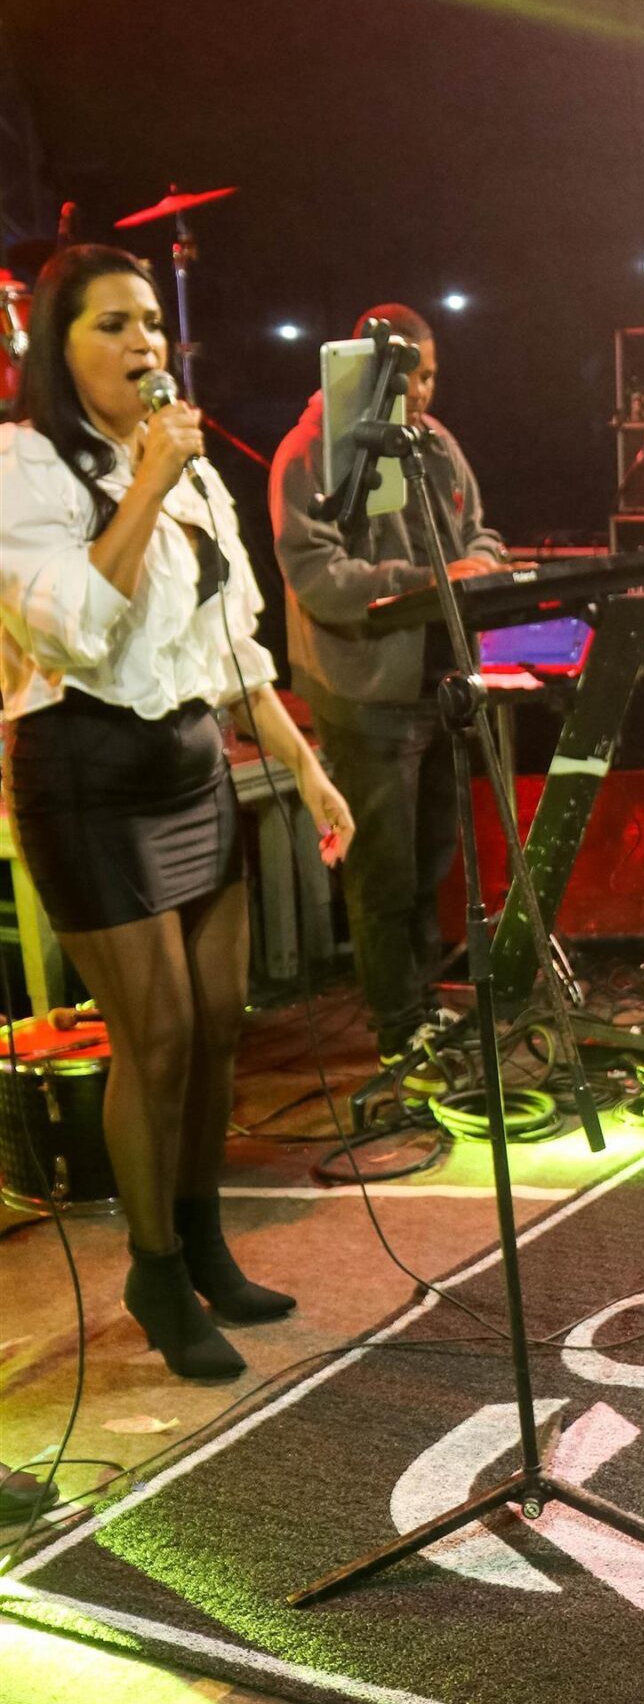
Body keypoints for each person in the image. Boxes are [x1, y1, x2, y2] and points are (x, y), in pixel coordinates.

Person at [0, 245, 354, 1381]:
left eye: (149, 320)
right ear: (57, 347)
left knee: (213, 1028)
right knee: (152, 1040)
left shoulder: (192, 471)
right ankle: (153, 1270)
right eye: (110, 324)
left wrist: (305, 768)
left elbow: (230, 650)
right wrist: (148, 479)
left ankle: (203, 1242)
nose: (142, 341)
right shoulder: (24, 467)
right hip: (88, 773)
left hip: (193, 769)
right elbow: (73, 629)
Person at [270, 305, 505, 1076]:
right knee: (383, 874)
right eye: (411, 376)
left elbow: (481, 532)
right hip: (366, 690)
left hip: (437, 682)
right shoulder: (312, 451)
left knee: (430, 861)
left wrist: (479, 565)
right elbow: (318, 576)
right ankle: (397, 1026)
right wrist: (430, 580)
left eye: (432, 375)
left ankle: (422, 1004)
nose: (423, 391)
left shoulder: (434, 442)